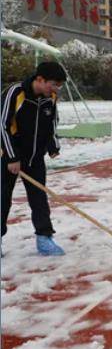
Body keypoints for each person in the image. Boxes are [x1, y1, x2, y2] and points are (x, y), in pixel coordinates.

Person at [2, 61, 67, 256]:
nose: (55, 89)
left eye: (58, 86)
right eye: (53, 84)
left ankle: (44, 238)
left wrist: (53, 145)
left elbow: (52, 123)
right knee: (2, 198)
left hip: (35, 157)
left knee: (39, 198)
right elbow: (1, 125)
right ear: (40, 79)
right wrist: (12, 157)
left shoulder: (50, 98)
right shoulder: (15, 93)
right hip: (7, 156)